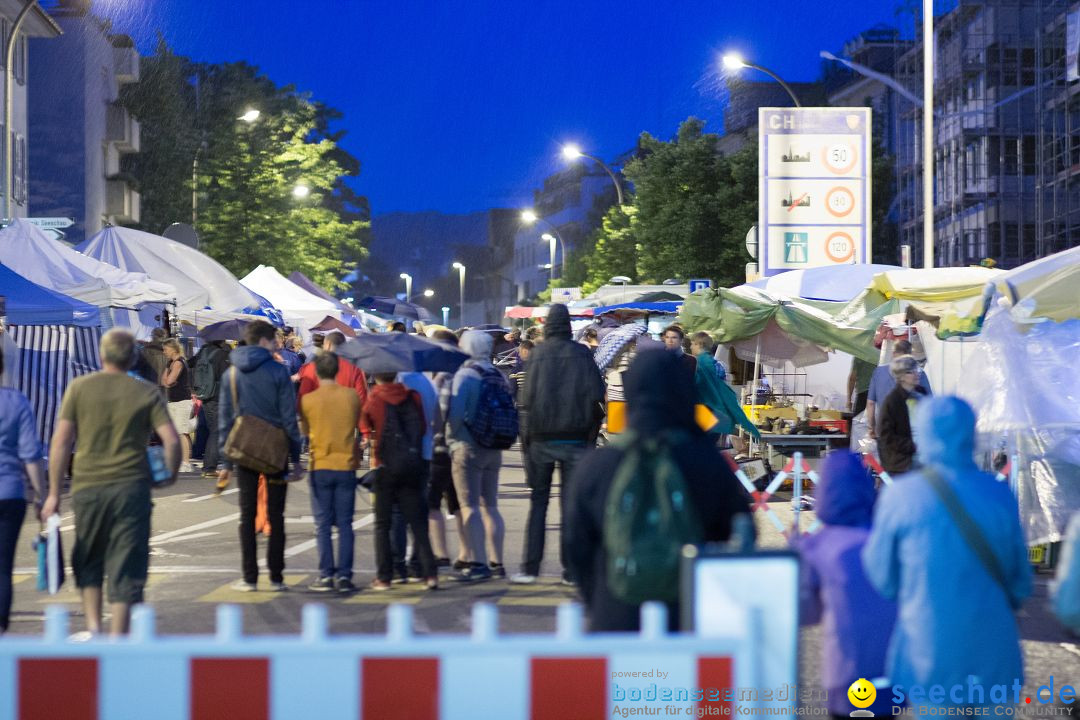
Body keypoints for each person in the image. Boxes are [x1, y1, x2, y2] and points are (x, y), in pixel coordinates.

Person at [863, 396, 1031, 710]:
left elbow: (882, 579)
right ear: (971, 434)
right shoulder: (998, 492)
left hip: (928, 651)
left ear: (922, 435)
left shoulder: (900, 496)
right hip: (993, 652)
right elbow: (1021, 581)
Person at [565, 349, 751, 632]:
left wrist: (598, 598)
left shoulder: (597, 465)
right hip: (688, 616)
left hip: (615, 614)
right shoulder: (707, 463)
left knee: (628, 677)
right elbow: (741, 534)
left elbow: (576, 546)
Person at [43, 329, 180, 636]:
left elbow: (61, 443)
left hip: (88, 487)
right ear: (133, 357)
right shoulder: (146, 392)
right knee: (126, 560)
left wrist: (52, 493)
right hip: (131, 488)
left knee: (89, 555)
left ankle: (93, 627)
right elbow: (171, 441)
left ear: (101, 356)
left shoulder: (79, 388)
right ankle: (119, 634)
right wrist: (167, 476)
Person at [796, 451, 897, 718]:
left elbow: (806, 614)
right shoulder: (888, 541)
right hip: (893, 668)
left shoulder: (819, 547)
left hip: (844, 671)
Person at [514, 304, 605, 585]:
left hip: (541, 439)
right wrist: (589, 437)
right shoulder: (582, 354)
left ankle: (530, 568)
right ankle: (571, 570)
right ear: (568, 324)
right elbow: (597, 399)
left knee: (538, 503)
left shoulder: (537, 355)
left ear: (546, 326)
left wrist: (526, 445)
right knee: (571, 507)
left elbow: (525, 404)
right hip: (576, 439)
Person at [217, 320, 304, 592]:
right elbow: (290, 419)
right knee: (276, 515)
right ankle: (276, 577)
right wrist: (296, 457)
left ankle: (249, 577)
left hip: (243, 449)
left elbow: (225, 419)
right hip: (274, 450)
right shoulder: (279, 372)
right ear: (265, 342)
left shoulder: (231, 374)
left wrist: (225, 461)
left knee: (247, 514)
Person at [361, 372, 438, 590]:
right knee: (418, 522)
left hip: (385, 464)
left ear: (377, 377)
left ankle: (386, 575)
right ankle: (429, 573)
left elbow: (364, 421)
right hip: (412, 462)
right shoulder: (412, 395)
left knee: (383, 523)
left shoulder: (375, 397)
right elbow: (422, 427)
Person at [448, 330, 508, 581]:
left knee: (469, 506)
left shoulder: (465, 375)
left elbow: (455, 414)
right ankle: (497, 562)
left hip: (468, 445)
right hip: (494, 445)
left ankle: (479, 563)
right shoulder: (497, 374)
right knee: (491, 506)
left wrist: (451, 440)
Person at [299, 352, 362, 593]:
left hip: (320, 464)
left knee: (323, 524)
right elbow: (357, 421)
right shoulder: (351, 396)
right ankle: (345, 575)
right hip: (345, 464)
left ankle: (326, 574)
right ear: (337, 370)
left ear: (316, 372)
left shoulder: (308, 400)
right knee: (346, 523)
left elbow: (305, 429)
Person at [0, 351, 45, 635]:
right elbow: (30, 454)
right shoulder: (16, 402)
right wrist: (42, 495)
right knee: (3, 566)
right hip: (10, 492)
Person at [428, 330, 469, 571]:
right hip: (463, 447)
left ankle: (441, 552)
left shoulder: (441, 377)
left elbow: (440, 415)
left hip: (440, 447)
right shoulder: (466, 373)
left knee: (433, 502)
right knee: (460, 503)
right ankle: (465, 553)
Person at [396, 368, 439, 581]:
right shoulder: (427, 382)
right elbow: (437, 419)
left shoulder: (401, 382)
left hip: (404, 453)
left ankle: (399, 564)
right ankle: (418, 561)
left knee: (398, 513)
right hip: (426, 451)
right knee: (420, 510)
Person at [689, 332, 759, 446]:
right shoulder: (718, 365)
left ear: (699, 345)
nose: (691, 347)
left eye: (692, 344)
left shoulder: (701, 365)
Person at [866, 339, 931, 441]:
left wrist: (872, 427)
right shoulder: (918, 373)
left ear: (893, 353)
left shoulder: (878, 372)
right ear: (911, 354)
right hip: (909, 432)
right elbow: (929, 403)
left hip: (884, 430)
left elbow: (870, 403)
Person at [877, 355, 930, 474]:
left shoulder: (922, 394)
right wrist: (913, 446)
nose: (916, 374)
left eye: (916, 370)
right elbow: (886, 436)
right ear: (901, 377)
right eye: (910, 372)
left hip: (923, 458)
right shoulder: (892, 401)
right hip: (902, 463)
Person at [297, 331, 368, 408]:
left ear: (328, 345)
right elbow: (361, 399)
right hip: (346, 416)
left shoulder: (311, 367)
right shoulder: (354, 369)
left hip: (317, 416)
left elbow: (302, 400)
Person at [192, 338, 230, 479]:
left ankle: (210, 465)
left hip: (205, 395)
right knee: (216, 431)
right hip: (219, 396)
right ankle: (209, 467)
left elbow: (190, 364)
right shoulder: (223, 353)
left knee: (213, 429)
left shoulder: (203, 351)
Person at [161, 339, 194, 473]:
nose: (164, 352)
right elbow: (164, 382)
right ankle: (181, 460)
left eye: (166, 349)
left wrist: (168, 381)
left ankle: (186, 463)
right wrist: (168, 379)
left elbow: (168, 380)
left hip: (181, 402)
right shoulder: (171, 363)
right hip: (173, 401)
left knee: (182, 432)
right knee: (177, 432)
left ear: (173, 349)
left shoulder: (179, 362)